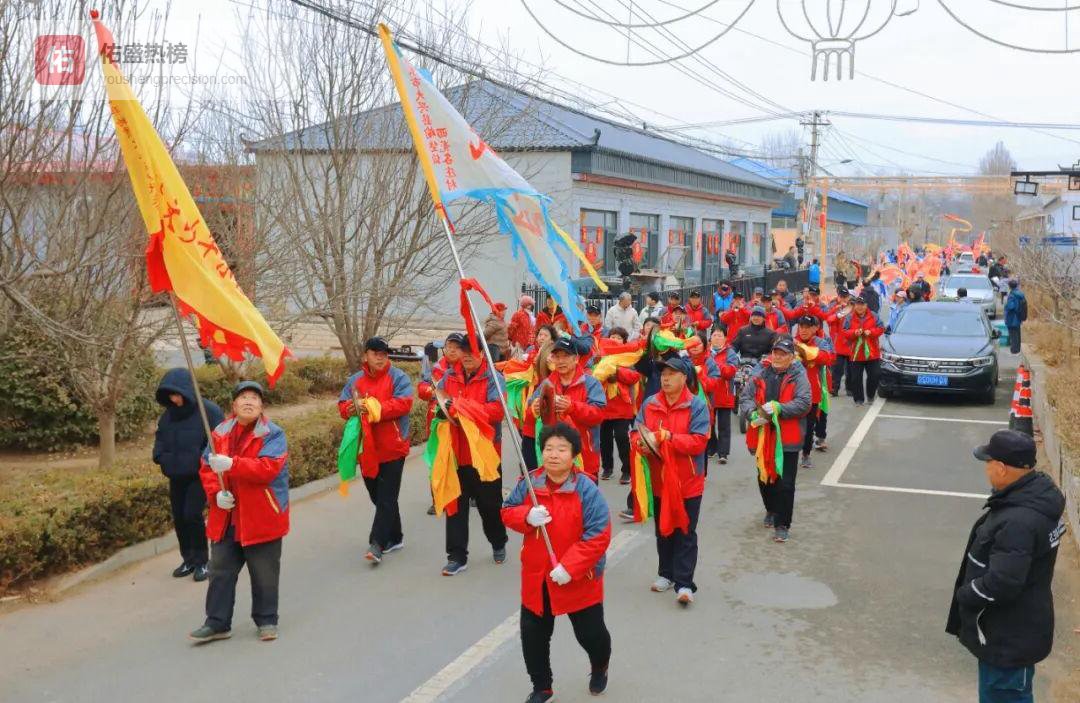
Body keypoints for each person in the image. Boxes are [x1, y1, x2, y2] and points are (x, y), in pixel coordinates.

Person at [947, 430, 1065, 703]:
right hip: (1018, 629)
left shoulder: (1018, 522)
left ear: (1001, 468)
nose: (986, 468)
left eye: (988, 462)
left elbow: (1004, 581)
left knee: (1003, 695)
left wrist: (967, 594)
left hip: (1007, 638)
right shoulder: (1036, 497)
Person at [502, 423, 612, 702]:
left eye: (561, 449)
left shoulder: (586, 489)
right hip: (538, 575)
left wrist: (570, 566)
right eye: (548, 448)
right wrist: (526, 516)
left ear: (573, 454)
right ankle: (542, 687)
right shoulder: (529, 482)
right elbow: (507, 511)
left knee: (592, 635)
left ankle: (599, 665)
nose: (553, 454)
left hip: (578, 577)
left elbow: (598, 534)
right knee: (533, 636)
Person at [189, 381, 288, 644]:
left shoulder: (273, 434)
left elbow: (267, 468)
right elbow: (206, 466)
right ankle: (217, 622)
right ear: (233, 405)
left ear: (261, 406)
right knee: (219, 570)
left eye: (254, 398)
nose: (249, 401)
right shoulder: (218, 434)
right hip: (227, 518)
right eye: (243, 396)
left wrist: (233, 464)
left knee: (264, 572)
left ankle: (267, 620)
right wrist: (215, 494)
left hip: (262, 515)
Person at [630, 355, 710, 604]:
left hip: (688, 481)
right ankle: (666, 573)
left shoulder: (696, 405)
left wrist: (669, 438)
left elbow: (699, 442)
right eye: (663, 374)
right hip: (659, 479)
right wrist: (641, 443)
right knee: (663, 529)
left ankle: (685, 583)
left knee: (685, 530)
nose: (665, 378)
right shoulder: (650, 403)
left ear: (684, 377)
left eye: (671, 374)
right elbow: (636, 431)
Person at [338, 337, 415, 564]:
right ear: (366, 356)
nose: (380, 357)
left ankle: (377, 543)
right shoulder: (355, 381)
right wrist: (351, 408)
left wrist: (373, 407)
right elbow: (342, 406)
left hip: (393, 447)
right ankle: (396, 536)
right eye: (375, 353)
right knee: (379, 496)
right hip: (367, 448)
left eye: (384, 353)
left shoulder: (398, 377)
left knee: (386, 498)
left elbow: (404, 403)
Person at [436, 338, 509, 576]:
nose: (467, 356)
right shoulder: (449, 377)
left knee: (489, 506)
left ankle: (498, 541)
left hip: (485, 454)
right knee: (455, 506)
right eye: (463, 351)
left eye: (472, 351)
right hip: (456, 452)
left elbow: (497, 411)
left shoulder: (493, 379)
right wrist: (443, 409)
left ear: (482, 354)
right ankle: (456, 556)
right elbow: (440, 403)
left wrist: (464, 407)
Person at [153, 368, 224, 582]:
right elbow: (161, 438)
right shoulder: (168, 415)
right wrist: (160, 456)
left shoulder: (207, 411)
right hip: (175, 474)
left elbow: (218, 440)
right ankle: (189, 559)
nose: (174, 399)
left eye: (177, 394)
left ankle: (202, 561)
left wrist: (202, 461)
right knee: (179, 518)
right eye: (170, 395)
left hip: (198, 475)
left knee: (192, 515)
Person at [739, 336, 812, 543]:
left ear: (791, 357)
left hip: (787, 438)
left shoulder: (799, 375)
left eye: (783, 354)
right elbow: (745, 398)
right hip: (763, 436)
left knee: (786, 484)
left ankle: (783, 524)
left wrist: (780, 409)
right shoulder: (760, 373)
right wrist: (753, 413)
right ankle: (771, 509)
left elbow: (804, 403)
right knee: (764, 478)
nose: (778, 357)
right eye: (776, 353)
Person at [528, 337, 607, 481]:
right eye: (557, 357)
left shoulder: (590, 383)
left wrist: (572, 407)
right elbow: (530, 408)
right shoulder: (547, 383)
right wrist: (535, 408)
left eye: (565, 356)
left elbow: (598, 414)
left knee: (585, 501)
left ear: (576, 359)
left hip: (585, 456)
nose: (561, 361)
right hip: (554, 459)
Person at [598, 327, 640, 483]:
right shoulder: (602, 357)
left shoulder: (628, 358)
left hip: (622, 406)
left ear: (624, 341)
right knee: (604, 440)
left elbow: (634, 376)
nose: (615, 340)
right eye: (612, 337)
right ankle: (607, 467)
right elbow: (594, 375)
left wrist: (617, 372)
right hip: (604, 405)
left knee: (622, 438)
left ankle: (627, 469)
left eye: (618, 337)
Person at [793, 316, 834, 469]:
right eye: (801, 326)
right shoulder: (791, 342)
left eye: (807, 327)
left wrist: (805, 351)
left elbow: (827, 358)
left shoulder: (820, 342)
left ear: (814, 328)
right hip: (792, 391)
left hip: (812, 391)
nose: (803, 330)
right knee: (791, 425)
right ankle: (789, 453)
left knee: (809, 426)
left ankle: (806, 454)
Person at [842, 296, 884, 406]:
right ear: (855, 305)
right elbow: (845, 332)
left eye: (862, 304)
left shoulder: (874, 316)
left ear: (866, 305)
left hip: (872, 353)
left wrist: (871, 332)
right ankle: (858, 399)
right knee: (856, 378)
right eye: (857, 304)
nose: (859, 307)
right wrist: (855, 333)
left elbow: (881, 328)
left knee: (875, 375)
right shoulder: (849, 317)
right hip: (856, 353)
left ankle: (870, 395)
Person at [705, 329, 739, 464]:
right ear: (710, 338)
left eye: (720, 335)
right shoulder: (705, 351)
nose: (717, 338)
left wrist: (714, 364)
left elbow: (730, 372)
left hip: (724, 394)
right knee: (709, 424)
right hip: (709, 393)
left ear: (725, 339)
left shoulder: (730, 353)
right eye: (714, 335)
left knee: (724, 425)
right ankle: (712, 448)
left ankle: (723, 453)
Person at [825, 288, 853, 396]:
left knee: (850, 369)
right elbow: (828, 319)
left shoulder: (852, 307)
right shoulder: (834, 306)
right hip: (837, 344)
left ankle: (850, 389)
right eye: (841, 297)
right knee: (837, 369)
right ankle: (834, 389)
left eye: (845, 297)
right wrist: (838, 312)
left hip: (849, 343)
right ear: (838, 297)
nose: (843, 299)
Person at [1004, 279, 1027, 355]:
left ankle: (1014, 350)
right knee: (1017, 333)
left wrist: (1006, 305)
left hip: (1012, 318)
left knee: (1013, 334)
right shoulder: (1020, 294)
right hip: (1018, 317)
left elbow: (1011, 306)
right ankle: (1018, 349)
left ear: (1009, 286)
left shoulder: (1012, 295)